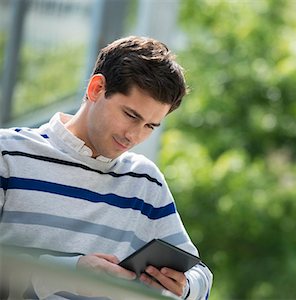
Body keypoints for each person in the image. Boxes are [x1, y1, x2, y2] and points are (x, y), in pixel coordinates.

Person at [0, 36, 213, 299]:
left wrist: (184, 286)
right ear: (96, 88)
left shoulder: (145, 182)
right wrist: (70, 273)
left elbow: (200, 275)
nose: (133, 136)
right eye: (131, 115)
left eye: (150, 126)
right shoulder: (7, 154)